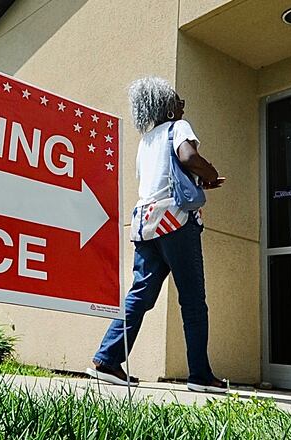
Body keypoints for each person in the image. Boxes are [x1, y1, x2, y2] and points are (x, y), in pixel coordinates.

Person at [86, 76, 228, 393]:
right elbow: (188, 158)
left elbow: (160, 178)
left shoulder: (146, 141)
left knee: (140, 294)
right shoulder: (179, 127)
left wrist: (196, 179)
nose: (183, 103)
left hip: (145, 223)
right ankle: (200, 376)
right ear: (166, 106)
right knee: (193, 301)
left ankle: (106, 360)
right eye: (177, 99)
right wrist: (211, 174)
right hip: (176, 221)